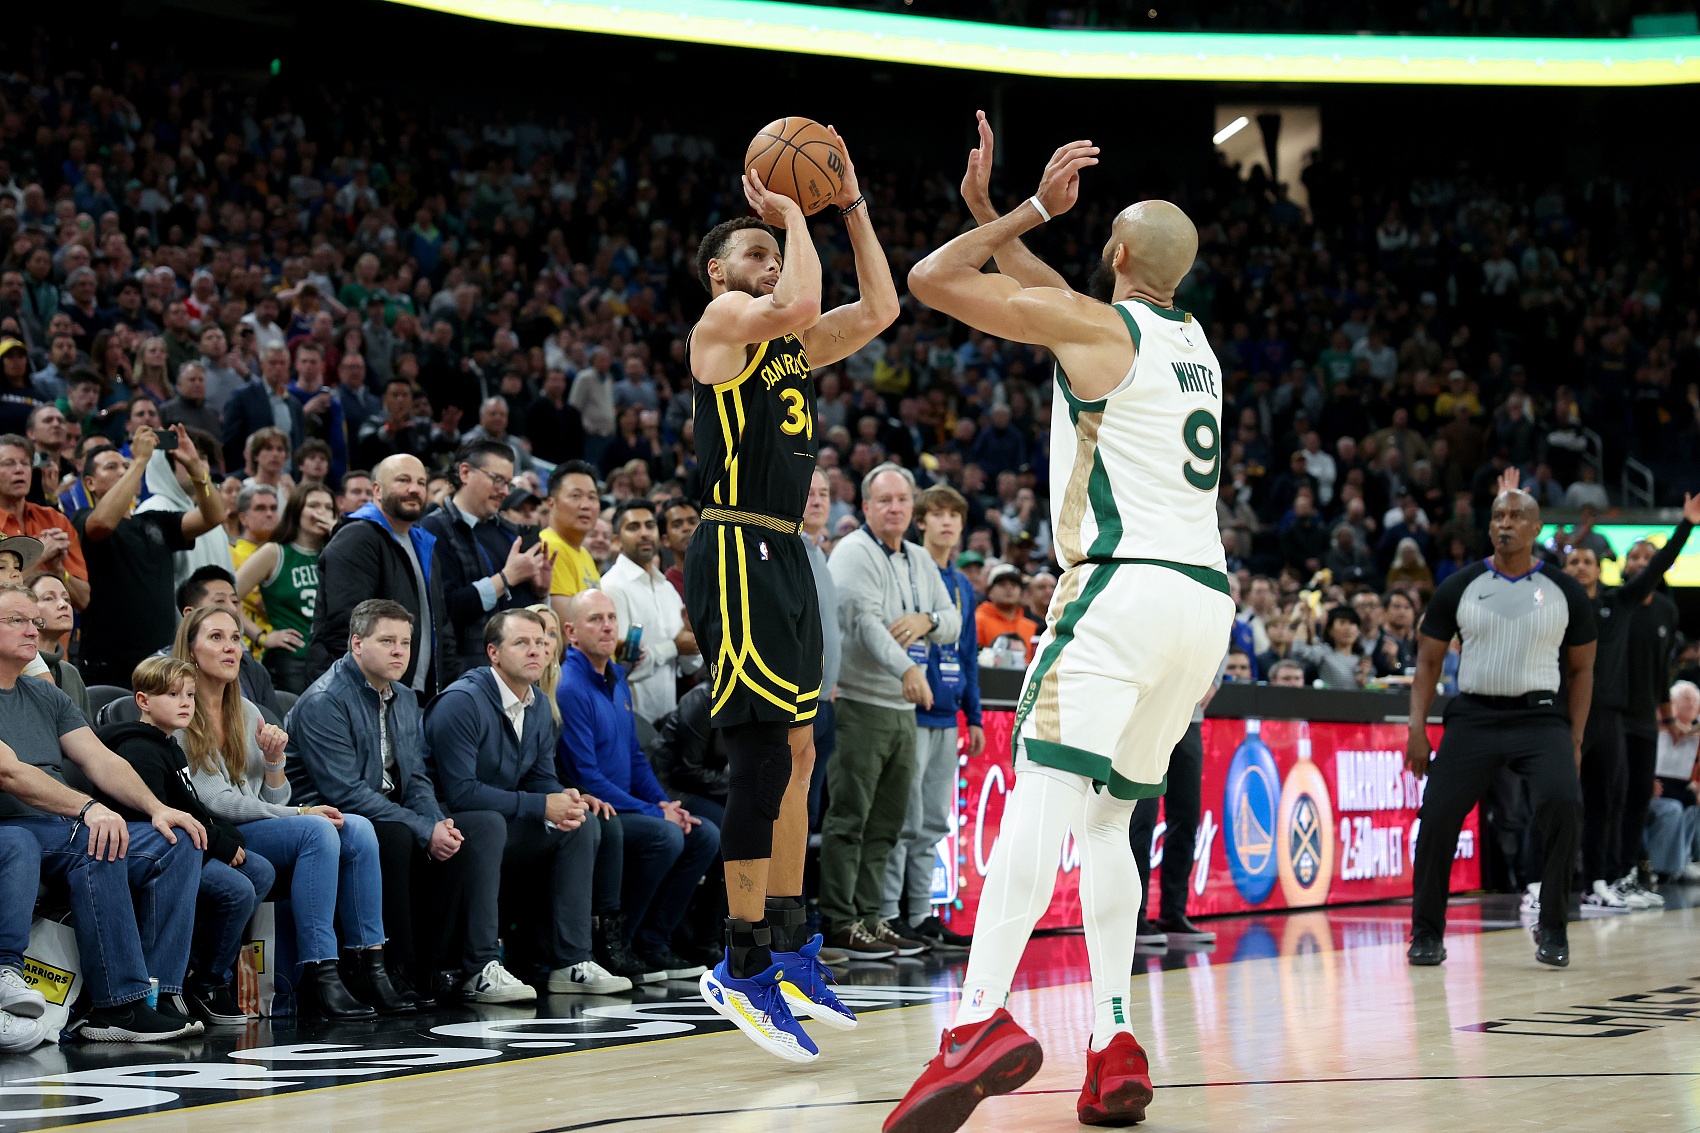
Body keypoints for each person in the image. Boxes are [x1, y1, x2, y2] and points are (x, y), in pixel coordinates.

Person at [890, 116, 1235, 1133]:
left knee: (1039, 799)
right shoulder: (1192, 344)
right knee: (1108, 820)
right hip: (1202, 603)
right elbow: (1058, 305)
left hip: (1120, 590)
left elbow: (929, 280)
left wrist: (1030, 209)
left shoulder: (1101, 330)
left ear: (1115, 253)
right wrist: (993, 215)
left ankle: (974, 1022)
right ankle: (1113, 1039)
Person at [686, 130, 898, 1062]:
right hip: (735, 544)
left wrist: (849, 206)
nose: (770, 259)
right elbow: (801, 297)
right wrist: (793, 214)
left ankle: (787, 938)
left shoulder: (794, 349)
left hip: (787, 551)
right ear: (718, 272)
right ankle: (738, 961)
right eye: (754, 250)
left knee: (803, 754)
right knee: (763, 757)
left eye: (775, 251)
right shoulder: (723, 326)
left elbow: (882, 306)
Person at [0, 583, 208, 1042]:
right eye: (16, 620)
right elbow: (9, 773)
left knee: (178, 839)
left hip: (57, 828)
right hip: (10, 825)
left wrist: (158, 809)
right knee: (96, 842)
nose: (32, 630)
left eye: (35, 621)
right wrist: (89, 807)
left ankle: (156, 995)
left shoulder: (46, 696)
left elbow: (102, 760)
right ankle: (117, 1005)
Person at [174, 605, 404, 1018]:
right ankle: (320, 970)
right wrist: (301, 814)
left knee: (359, 829)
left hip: (257, 827)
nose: (230, 647)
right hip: (220, 833)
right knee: (318, 830)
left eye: (235, 638)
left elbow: (273, 799)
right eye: (216, 638)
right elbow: (217, 802)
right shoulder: (181, 712)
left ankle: (370, 964)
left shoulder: (246, 711)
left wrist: (274, 762)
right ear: (191, 651)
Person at [288, 599, 519, 1005]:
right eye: (387, 641)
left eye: (406, 643)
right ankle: (390, 968)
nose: (399, 652)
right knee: (396, 837)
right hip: (324, 814)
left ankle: (437, 969)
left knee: (467, 834)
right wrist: (423, 828)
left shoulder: (405, 698)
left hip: (383, 808)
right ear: (356, 644)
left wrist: (437, 824)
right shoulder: (324, 700)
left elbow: (415, 780)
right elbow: (345, 793)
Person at [1404, 479, 1594, 970]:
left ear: (1536, 528)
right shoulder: (1459, 586)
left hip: (1542, 717)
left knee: (1564, 804)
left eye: (1515, 517)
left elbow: (1582, 671)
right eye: (1497, 517)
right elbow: (1428, 663)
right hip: (1474, 716)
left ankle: (1553, 926)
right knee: (1437, 815)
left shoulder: (1566, 590)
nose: (1504, 524)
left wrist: (1574, 739)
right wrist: (1416, 729)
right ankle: (1426, 932)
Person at [424, 608, 632, 996]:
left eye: (541, 642)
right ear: (494, 653)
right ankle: (480, 968)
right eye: (521, 642)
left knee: (580, 823)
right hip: (447, 824)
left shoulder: (537, 705)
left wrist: (563, 797)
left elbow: (540, 778)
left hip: (501, 819)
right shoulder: (461, 702)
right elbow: (460, 793)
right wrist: (540, 806)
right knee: (489, 823)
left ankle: (571, 962)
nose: (536, 650)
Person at [824, 464, 961, 963]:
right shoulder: (852, 553)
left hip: (904, 709)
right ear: (866, 507)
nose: (896, 508)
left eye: (903, 499)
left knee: (888, 823)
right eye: (884, 500)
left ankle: (872, 917)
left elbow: (953, 621)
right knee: (850, 818)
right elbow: (864, 624)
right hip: (861, 701)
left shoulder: (920, 557)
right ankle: (840, 921)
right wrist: (906, 667)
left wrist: (928, 620)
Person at [556, 590, 720, 978]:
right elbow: (586, 777)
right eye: (595, 619)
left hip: (627, 804)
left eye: (611, 617)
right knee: (666, 836)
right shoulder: (569, 686)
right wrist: (656, 814)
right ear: (571, 632)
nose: (607, 626)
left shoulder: (616, 679)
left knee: (706, 836)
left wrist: (665, 805)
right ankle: (619, 944)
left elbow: (634, 757)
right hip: (597, 808)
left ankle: (654, 941)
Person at [97, 656, 261, 1026]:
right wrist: (218, 844)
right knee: (238, 890)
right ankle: (187, 984)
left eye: (189, 694)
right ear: (143, 701)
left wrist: (225, 835)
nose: (186, 703)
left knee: (259, 871)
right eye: (173, 695)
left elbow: (192, 806)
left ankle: (205, 977)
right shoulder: (138, 750)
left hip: (186, 844)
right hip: (155, 852)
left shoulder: (171, 745)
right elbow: (156, 822)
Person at [1562, 495, 1696, 910]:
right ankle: (1585, 877)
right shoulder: (1609, 604)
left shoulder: (1657, 610)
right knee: (1596, 798)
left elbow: (1660, 670)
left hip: (1637, 717)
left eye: (1646, 557)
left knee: (1629, 798)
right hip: (1603, 714)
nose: (1640, 563)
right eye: (1633, 556)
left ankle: (1619, 875)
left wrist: (1666, 715)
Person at [880, 483, 980, 953]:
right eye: (937, 514)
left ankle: (921, 914)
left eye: (954, 516)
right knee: (903, 819)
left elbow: (968, 654)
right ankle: (889, 914)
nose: (946, 523)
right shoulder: (911, 571)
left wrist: (973, 715)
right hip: (908, 709)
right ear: (920, 522)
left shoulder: (962, 586)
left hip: (945, 715)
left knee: (934, 821)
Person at [75, 423, 225, 686]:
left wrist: (195, 467)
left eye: (125, 465)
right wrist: (139, 461)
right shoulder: (83, 518)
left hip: (160, 665)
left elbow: (214, 516)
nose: (122, 470)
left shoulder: (155, 521)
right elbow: (103, 524)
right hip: (107, 667)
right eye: (111, 467)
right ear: (90, 483)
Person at [306, 454, 457, 698]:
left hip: (414, 695)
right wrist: (370, 695)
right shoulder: (357, 538)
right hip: (360, 693)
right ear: (377, 490)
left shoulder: (423, 543)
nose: (414, 489)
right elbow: (345, 625)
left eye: (421, 482)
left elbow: (441, 624)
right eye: (403, 480)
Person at [418, 440, 551, 678]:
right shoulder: (434, 529)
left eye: (508, 483)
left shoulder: (508, 531)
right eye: (497, 480)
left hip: (516, 675)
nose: (505, 491)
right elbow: (445, 608)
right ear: (465, 473)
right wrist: (506, 578)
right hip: (467, 676)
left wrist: (539, 592)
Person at [602, 498, 702, 725]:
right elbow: (621, 667)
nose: (645, 533)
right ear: (617, 540)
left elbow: (688, 667)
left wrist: (691, 641)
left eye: (650, 525)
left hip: (669, 717)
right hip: (629, 718)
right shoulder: (612, 587)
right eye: (633, 527)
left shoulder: (666, 588)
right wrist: (674, 647)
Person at [235, 482, 335, 695]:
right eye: (314, 506)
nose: (322, 513)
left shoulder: (336, 554)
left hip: (331, 659)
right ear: (296, 510)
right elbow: (227, 597)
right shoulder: (274, 553)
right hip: (291, 663)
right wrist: (261, 637)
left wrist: (339, 536)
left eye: (328, 508)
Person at [168, 566, 284, 718]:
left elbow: (272, 721)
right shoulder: (161, 673)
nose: (232, 608)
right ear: (190, 615)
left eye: (235, 638)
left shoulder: (252, 669)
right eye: (216, 637)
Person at [0, 433, 87, 608]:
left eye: (25, 463)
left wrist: (58, 570)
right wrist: (40, 557)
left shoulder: (55, 519)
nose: (19, 469)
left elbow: (83, 600)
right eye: (8, 463)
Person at [801, 470, 843, 830]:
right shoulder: (790, 550)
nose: (817, 500)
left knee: (809, 813)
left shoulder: (819, 554)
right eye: (809, 492)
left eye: (824, 494)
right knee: (792, 812)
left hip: (825, 701)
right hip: (800, 703)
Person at [221, 345, 305, 475]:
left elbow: (298, 443)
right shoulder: (243, 396)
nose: (278, 367)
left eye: (282, 363)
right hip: (251, 475)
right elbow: (230, 441)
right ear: (262, 364)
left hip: (287, 477)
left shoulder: (294, 403)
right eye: (273, 363)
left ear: (288, 365)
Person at [540, 460, 604, 620]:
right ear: (551, 503)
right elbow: (568, 626)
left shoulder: (584, 553)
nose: (586, 505)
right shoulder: (549, 546)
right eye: (575, 496)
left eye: (592, 497)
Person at [28, 573, 90, 722]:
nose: (63, 604)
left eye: (66, 599)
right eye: (49, 598)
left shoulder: (71, 673)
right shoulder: (16, 669)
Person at [974, 563, 1039, 659]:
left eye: (1014, 585)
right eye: (1002, 584)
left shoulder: (1032, 627)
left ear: (1021, 592)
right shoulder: (977, 621)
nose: (1009, 588)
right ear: (990, 592)